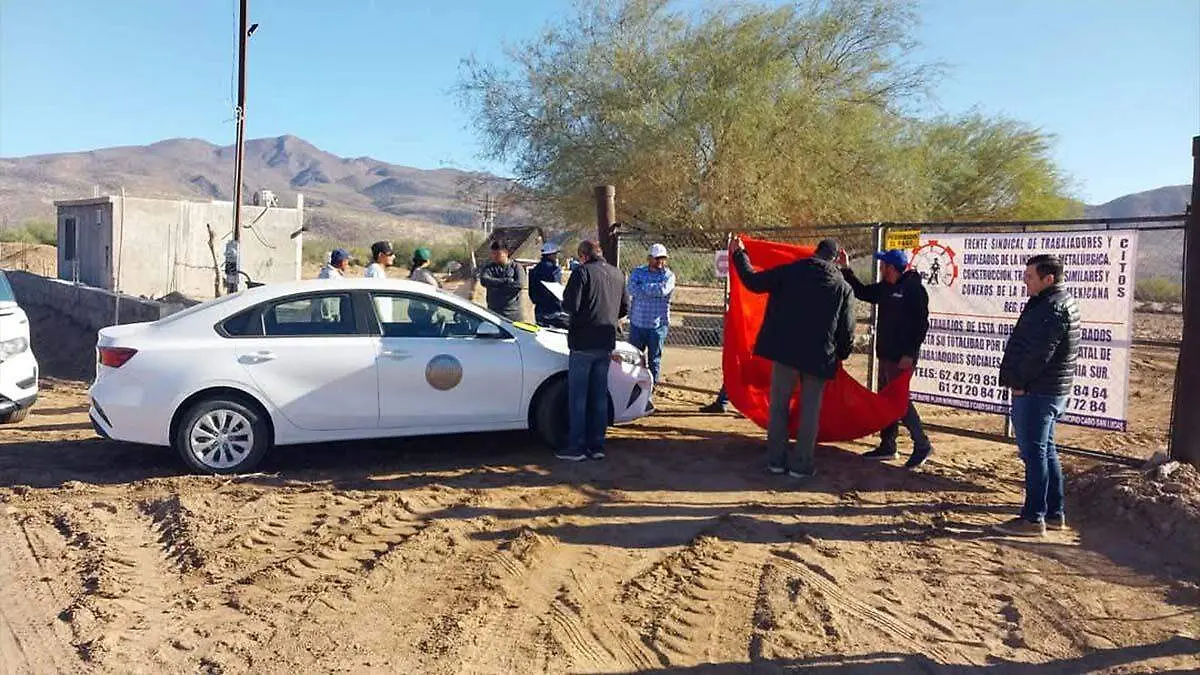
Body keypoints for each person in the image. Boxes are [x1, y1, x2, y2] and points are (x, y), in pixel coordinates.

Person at [729, 236, 855, 479]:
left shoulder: (791, 271)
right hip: (819, 356)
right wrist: (842, 354)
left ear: (815, 252)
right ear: (835, 259)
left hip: (786, 352)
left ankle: (776, 461)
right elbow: (847, 329)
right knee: (810, 412)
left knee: (778, 407)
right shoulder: (842, 286)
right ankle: (801, 465)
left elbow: (753, 282)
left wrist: (739, 255)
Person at [994, 254, 1081, 537]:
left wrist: (1020, 382)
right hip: (1046, 390)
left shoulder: (1053, 308)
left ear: (1048, 279)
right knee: (1046, 451)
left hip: (1038, 391)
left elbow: (1039, 354)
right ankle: (1054, 514)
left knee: (1035, 455)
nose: (1025, 281)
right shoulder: (1050, 303)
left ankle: (1033, 518)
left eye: (1030, 276)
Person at [837, 248, 934, 468]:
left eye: (883, 265)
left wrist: (909, 353)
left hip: (902, 357)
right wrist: (846, 268)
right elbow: (862, 292)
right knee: (886, 401)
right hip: (886, 354)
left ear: (891, 268)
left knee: (900, 403)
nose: (880, 268)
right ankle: (888, 445)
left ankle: (922, 444)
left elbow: (921, 325)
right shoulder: (886, 287)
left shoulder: (913, 289)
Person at [559, 240, 629, 462]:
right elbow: (624, 308)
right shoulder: (618, 274)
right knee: (599, 396)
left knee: (578, 397)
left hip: (583, 343)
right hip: (606, 342)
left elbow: (571, 305)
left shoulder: (582, 273)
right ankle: (597, 445)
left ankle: (576, 446)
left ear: (583, 255)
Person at [626, 243, 676, 386]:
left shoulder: (668, 275)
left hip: (657, 326)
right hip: (638, 323)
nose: (660, 261)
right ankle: (633, 385)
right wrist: (651, 289)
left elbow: (662, 290)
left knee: (654, 360)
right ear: (649, 258)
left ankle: (651, 388)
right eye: (657, 258)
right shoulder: (638, 272)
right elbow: (631, 288)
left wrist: (643, 286)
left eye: (662, 258)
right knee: (634, 358)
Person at [479, 241, 526, 321]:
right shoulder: (489, 268)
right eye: (493, 254)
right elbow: (484, 280)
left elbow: (519, 284)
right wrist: (506, 281)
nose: (494, 257)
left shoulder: (516, 267)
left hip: (513, 314)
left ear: (506, 253)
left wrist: (495, 286)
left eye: (498, 254)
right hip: (494, 313)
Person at [529, 242, 566, 326]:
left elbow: (532, 294)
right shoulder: (554, 270)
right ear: (550, 255)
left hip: (539, 310)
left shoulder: (534, 270)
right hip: (553, 310)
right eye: (555, 254)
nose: (556, 256)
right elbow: (557, 291)